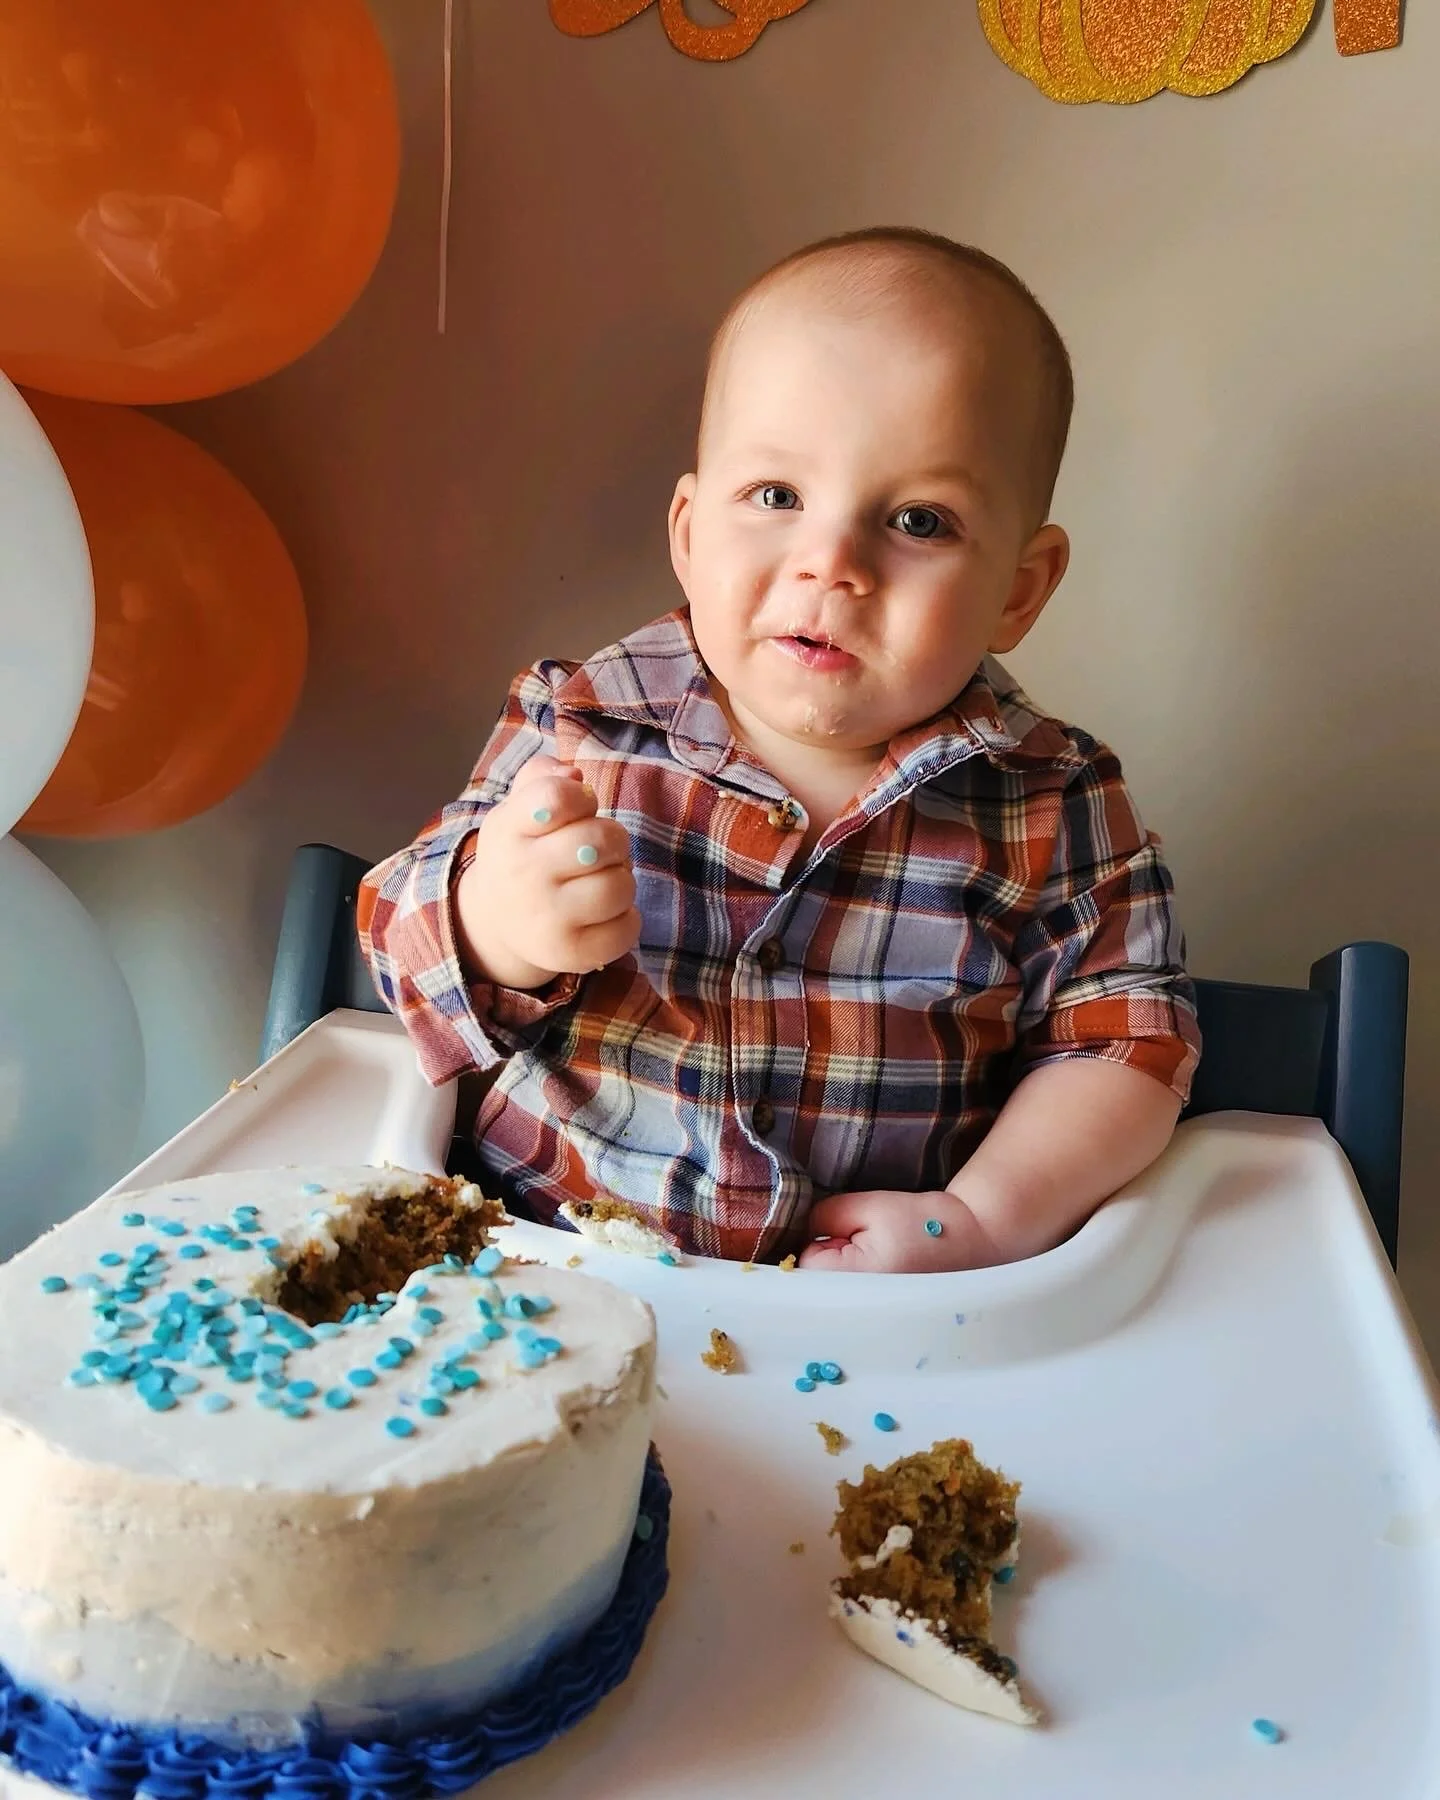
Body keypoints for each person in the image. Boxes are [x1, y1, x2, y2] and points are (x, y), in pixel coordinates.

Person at [358, 226, 1200, 1272]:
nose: (830, 562)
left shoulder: (1057, 801)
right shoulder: (582, 727)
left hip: (878, 1310)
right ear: (690, 531)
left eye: (918, 520)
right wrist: (493, 924)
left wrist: (983, 1219)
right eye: (777, 497)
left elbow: (1125, 1043)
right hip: (541, 1275)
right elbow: (395, 937)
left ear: (1018, 590)